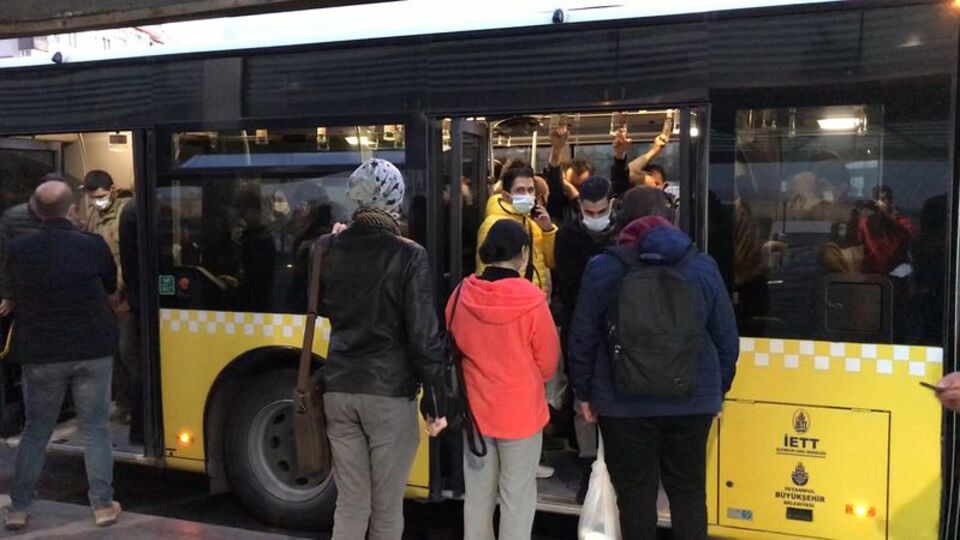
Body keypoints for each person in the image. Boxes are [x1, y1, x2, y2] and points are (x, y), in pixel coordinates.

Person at [568, 214, 739, 540]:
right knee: (688, 493)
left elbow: (582, 336)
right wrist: (719, 390)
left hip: (622, 404)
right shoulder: (702, 266)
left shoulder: (603, 268)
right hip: (692, 401)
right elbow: (727, 339)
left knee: (634, 497)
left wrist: (584, 392)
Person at [319, 158, 448, 540]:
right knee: (387, 508)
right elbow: (423, 335)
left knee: (351, 503)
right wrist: (436, 399)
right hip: (388, 395)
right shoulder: (409, 255)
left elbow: (325, 308)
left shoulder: (329, 247)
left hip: (339, 389)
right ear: (397, 200)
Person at [3, 180, 122, 530]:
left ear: (36, 211)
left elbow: (11, 295)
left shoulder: (19, 250)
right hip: (92, 350)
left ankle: (20, 508)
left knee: (36, 430)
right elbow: (110, 287)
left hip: (41, 353)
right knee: (96, 429)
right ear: (72, 209)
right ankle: (102, 505)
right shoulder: (92, 245)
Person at [449, 219, 560, 540]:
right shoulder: (532, 300)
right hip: (521, 416)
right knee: (517, 498)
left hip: (475, 415)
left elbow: (452, 345)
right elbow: (548, 362)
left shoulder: (460, 295)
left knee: (478, 498)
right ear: (524, 254)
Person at [82, 171, 133, 423]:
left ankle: (135, 403)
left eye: (101, 197)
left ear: (112, 190)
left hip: (123, 296)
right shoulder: (93, 216)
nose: (97, 202)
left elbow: (126, 255)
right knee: (112, 352)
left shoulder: (126, 212)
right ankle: (122, 403)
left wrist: (117, 288)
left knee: (127, 351)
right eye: (93, 198)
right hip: (103, 296)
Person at [476, 162, 556, 294]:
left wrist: (548, 231)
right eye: (520, 190)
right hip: (510, 300)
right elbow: (486, 270)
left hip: (533, 298)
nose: (527, 195)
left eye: (530, 190)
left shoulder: (533, 223)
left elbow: (551, 262)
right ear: (507, 196)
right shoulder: (494, 223)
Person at [118, 200, 144, 445]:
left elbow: (125, 265)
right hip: (134, 302)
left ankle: (139, 428)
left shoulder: (129, 211)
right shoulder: (137, 211)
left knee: (135, 364)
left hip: (132, 301)